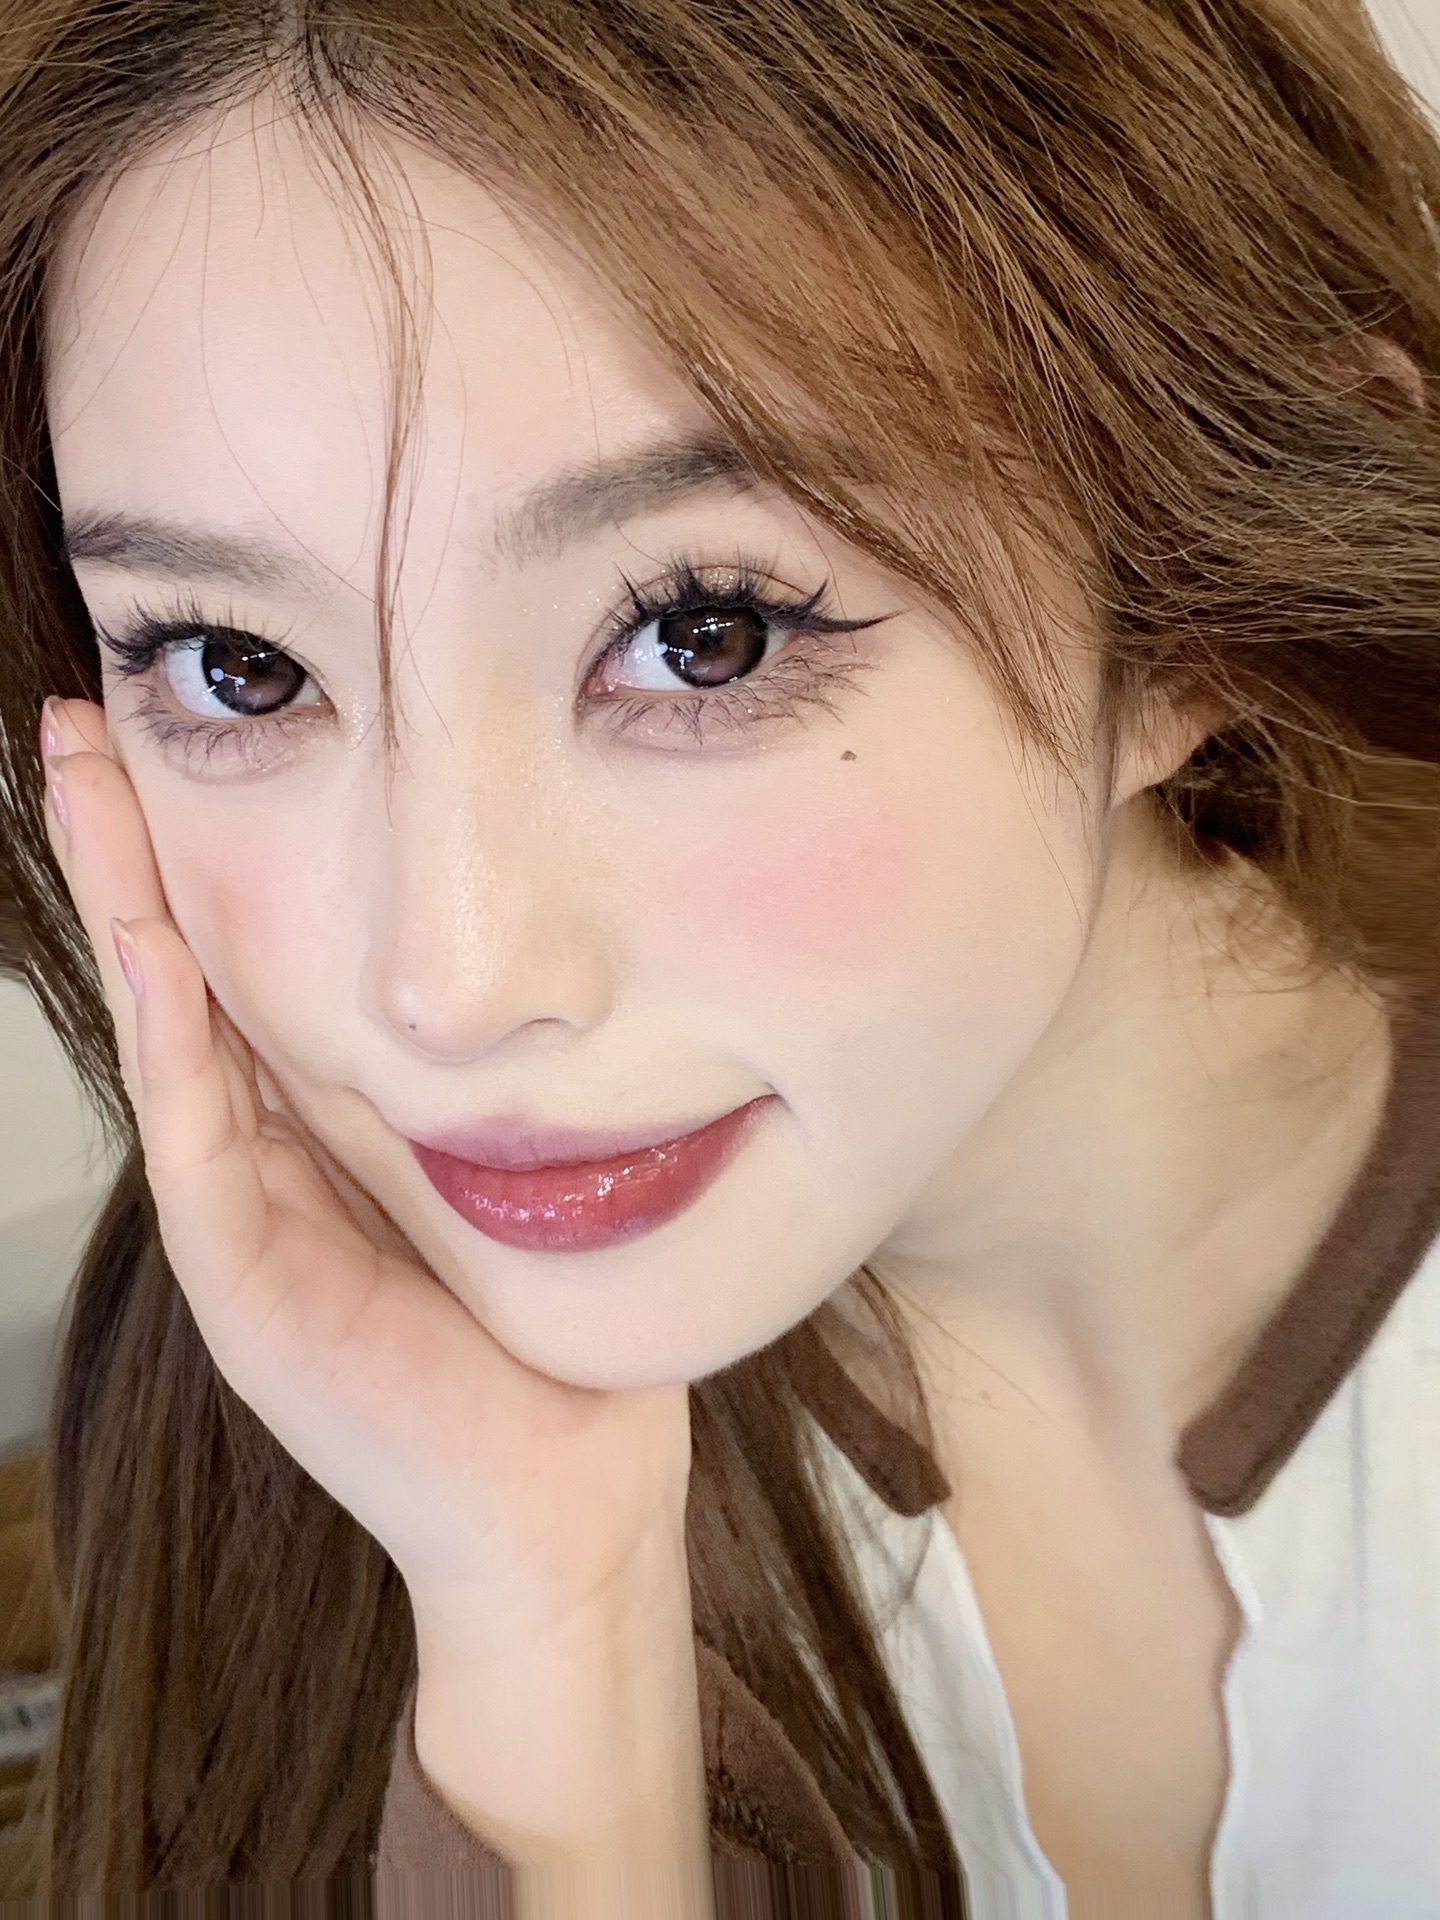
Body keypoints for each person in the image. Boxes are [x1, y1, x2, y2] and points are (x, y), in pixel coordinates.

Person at [0, 0, 1436, 1913]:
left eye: (704, 637)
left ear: (1203, 610)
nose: (445, 986)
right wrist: (545, 1645)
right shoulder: (283, 1378)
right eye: (236, 667)